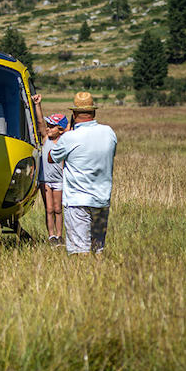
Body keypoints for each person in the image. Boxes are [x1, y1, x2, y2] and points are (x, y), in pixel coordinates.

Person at [49, 91, 117, 255]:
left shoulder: (69, 138)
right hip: (101, 199)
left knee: (80, 252)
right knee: (97, 249)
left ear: (73, 114)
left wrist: (67, 133)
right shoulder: (109, 133)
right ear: (93, 112)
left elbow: (52, 158)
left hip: (77, 200)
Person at [32, 94, 67, 247]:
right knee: (49, 209)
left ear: (60, 130)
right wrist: (37, 105)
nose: (48, 128)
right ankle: (51, 236)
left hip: (59, 180)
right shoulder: (45, 138)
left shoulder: (65, 142)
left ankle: (60, 236)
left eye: (52, 126)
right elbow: (40, 122)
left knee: (58, 209)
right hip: (45, 179)